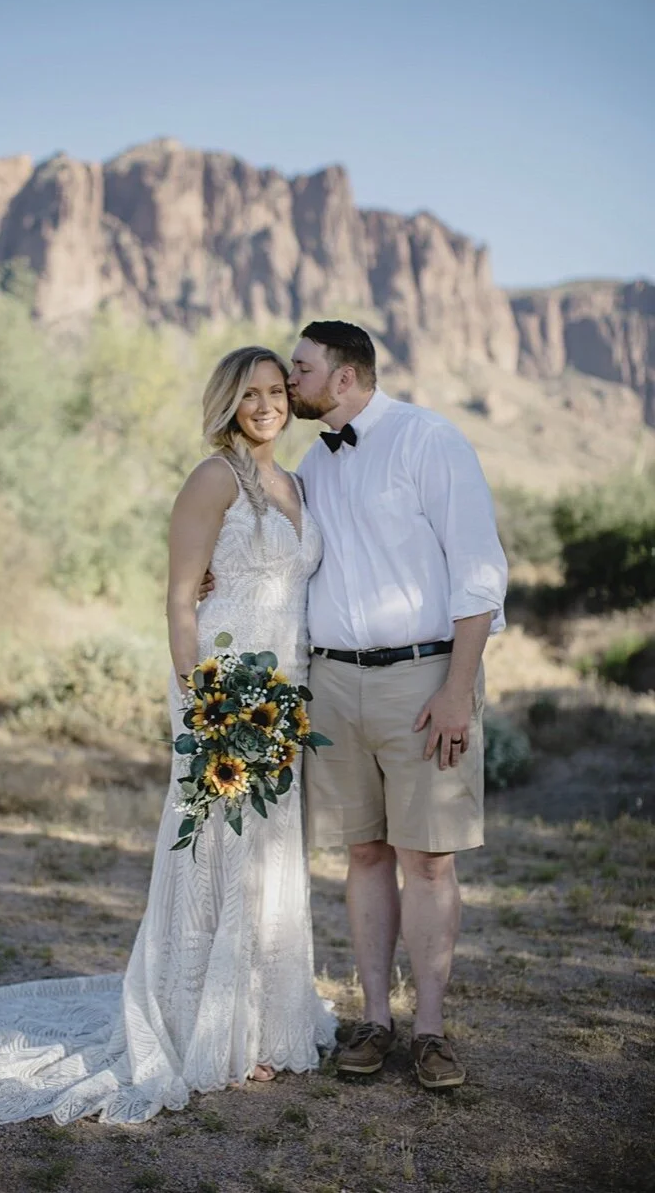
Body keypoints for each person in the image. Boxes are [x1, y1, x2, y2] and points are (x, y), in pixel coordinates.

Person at [0, 346, 335, 1125]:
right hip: (223, 692)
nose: (265, 404)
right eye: (249, 393)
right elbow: (178, 598)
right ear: (228, 403)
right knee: (214, 850)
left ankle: (261, 1022)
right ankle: (203, 1028)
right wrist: (202, 703)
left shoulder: (297, 485)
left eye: (275, 390)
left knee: (268, 853)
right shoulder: (212, 480)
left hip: (283, 697)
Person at [287, 320, 507, 1090]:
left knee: (430, 858)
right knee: (365, 853)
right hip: (332, 682)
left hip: (423, 681)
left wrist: (456, 688)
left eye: (301, 368)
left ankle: (432, 1031)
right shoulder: (311, 463)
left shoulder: (429, 441)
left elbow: (479, 575)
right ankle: (376, 1019)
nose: (290, 381)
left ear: (343, 377)